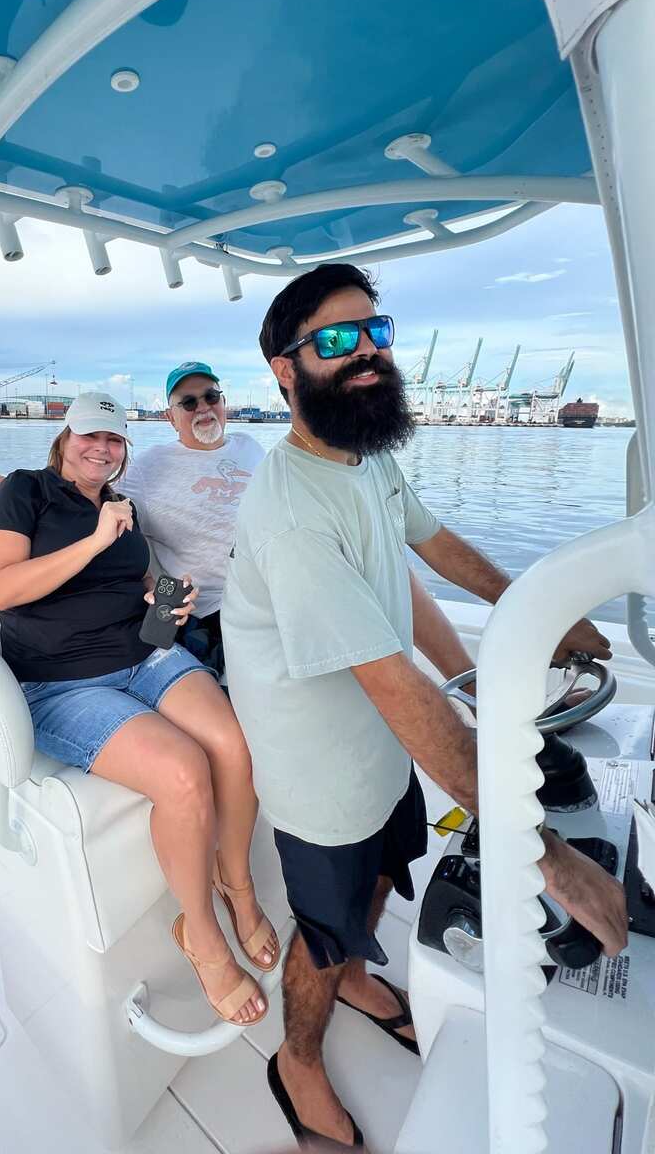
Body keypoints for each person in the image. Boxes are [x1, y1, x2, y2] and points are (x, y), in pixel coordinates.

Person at [221, 263, 627, 1150]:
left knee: (380, 877)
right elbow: (394, 682)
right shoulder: (289, 514)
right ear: (285, 370)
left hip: (380, 749)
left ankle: (360, 978)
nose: (365, 349)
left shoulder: (365, 461)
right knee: (323, 935)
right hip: (320, 774)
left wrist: (547, 617)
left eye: (375, 330)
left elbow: (438, 546)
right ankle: (296, 1059)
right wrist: (545, 854)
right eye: (334, 338)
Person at [0, 391, 280, 1027]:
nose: (102, 449)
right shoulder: (23, 493)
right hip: (60, 681)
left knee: (237, 744)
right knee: (184, 772)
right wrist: (93, 540)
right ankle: (199, 932)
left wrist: (169, 595)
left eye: (114, 440)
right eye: (90, 436)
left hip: (143, 652)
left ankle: (238, 886)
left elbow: (136, 582)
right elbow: (4, 589)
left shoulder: (122, 507)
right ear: (65, 436)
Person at [0, 361, 470, 681]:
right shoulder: (147, 469)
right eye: (188, 402)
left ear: (224, 404)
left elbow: (94, 468)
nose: (203, 408)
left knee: (385, 568)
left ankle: (465, 683)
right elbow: (84, 479)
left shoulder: (256, 449)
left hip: (278, 592)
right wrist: (5, 493)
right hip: (204, 610)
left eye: (211, 397)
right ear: (170, 416)